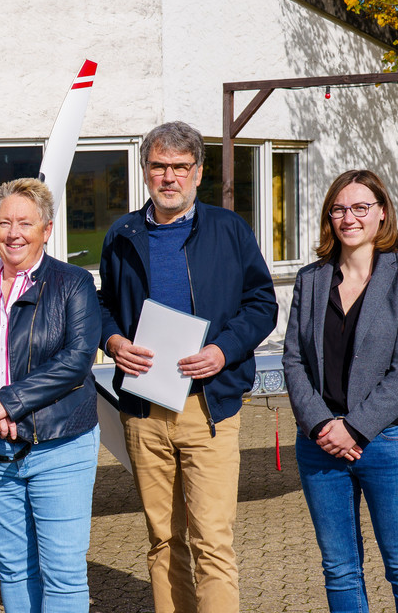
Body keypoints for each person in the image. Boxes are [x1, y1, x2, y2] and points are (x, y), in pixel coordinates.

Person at [97, 121, 278, 613]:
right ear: (145, 171)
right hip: (144, 409)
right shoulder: (122, 235)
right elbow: (103, 305)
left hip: (210, 407)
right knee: (161, 539)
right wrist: (112, 340)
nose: (169, 177)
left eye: (180, 167)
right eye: (159, 166)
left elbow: (262, 303)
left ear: (198, 173)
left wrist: (223, 350)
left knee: (212, 541)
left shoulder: (229, 229)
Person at [0, 178, 102, 613]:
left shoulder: (74, 283)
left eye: (25, 223)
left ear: (46, 229)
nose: (14, 233)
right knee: (13, 568)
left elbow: (76, 360)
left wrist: (7, 402)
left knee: (63, 572)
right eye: (4, 222)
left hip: (58, 446)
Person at [282, 170, 398, 612]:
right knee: (339, 569)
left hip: (389, 442)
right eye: (339, 209)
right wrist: (320, 425)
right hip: (320, 444)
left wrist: (355, 427)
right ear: (329, 217)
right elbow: (294, 360)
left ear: (382, 212)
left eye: (360, 207)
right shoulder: (311, 279)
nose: (349, 217)